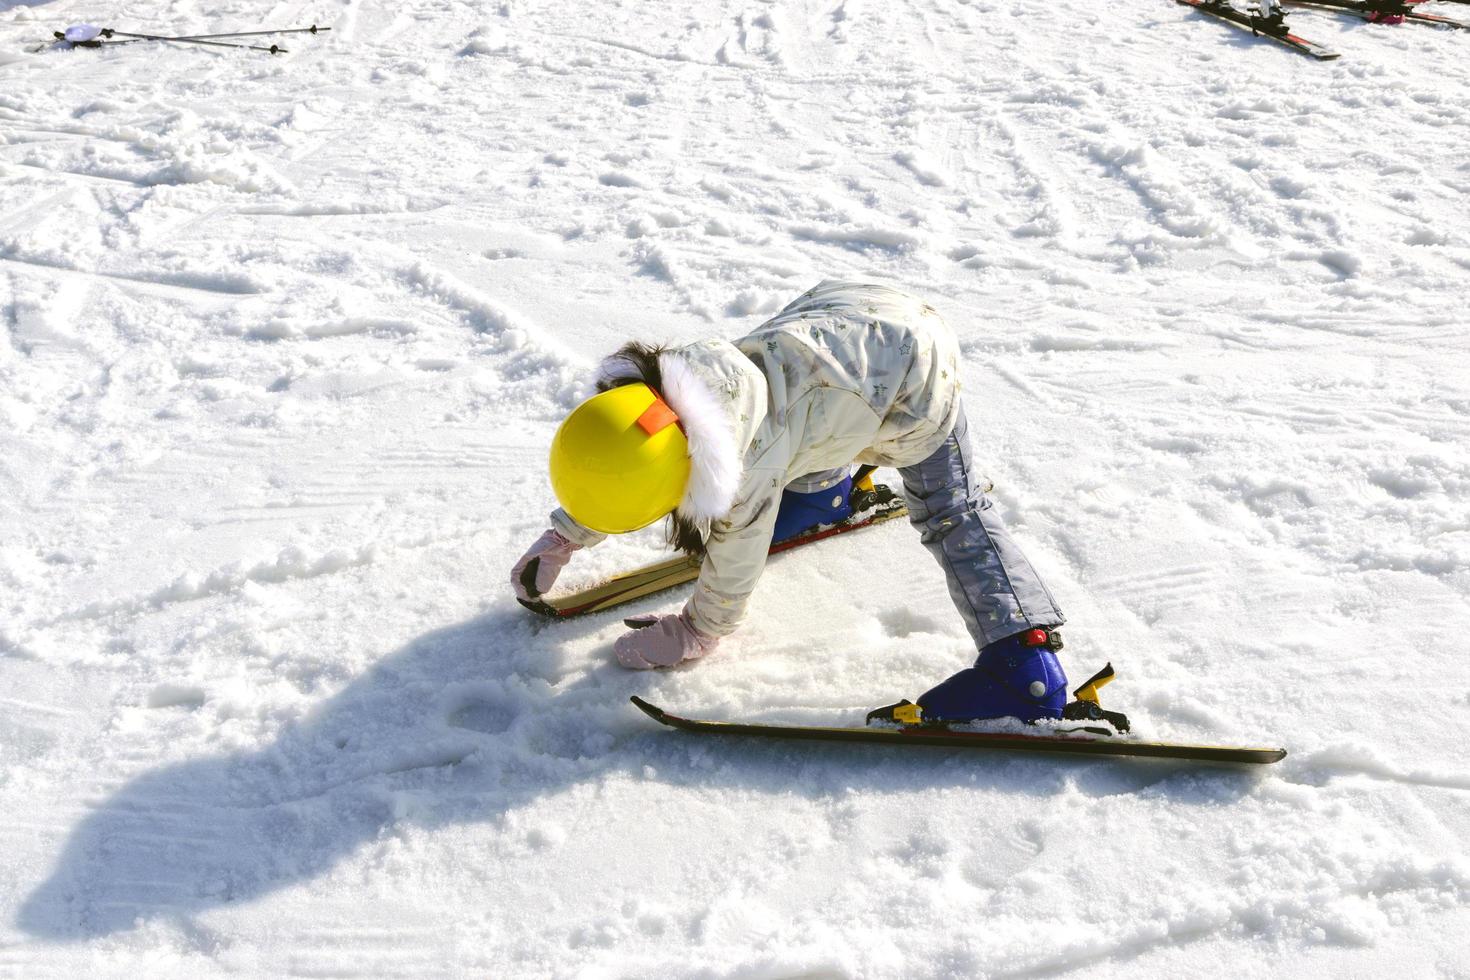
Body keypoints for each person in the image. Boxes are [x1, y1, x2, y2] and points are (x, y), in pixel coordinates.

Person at [511, 280, 1070, 724]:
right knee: (800, 416)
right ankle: (823, 495)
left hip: (915, 373)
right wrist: (567, 533)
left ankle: (1025, 667)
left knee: (952, 509)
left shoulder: (741, 469)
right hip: (852, 319)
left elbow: (734, 564)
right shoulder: (674, 385)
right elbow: (622, 465)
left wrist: (696, 630)